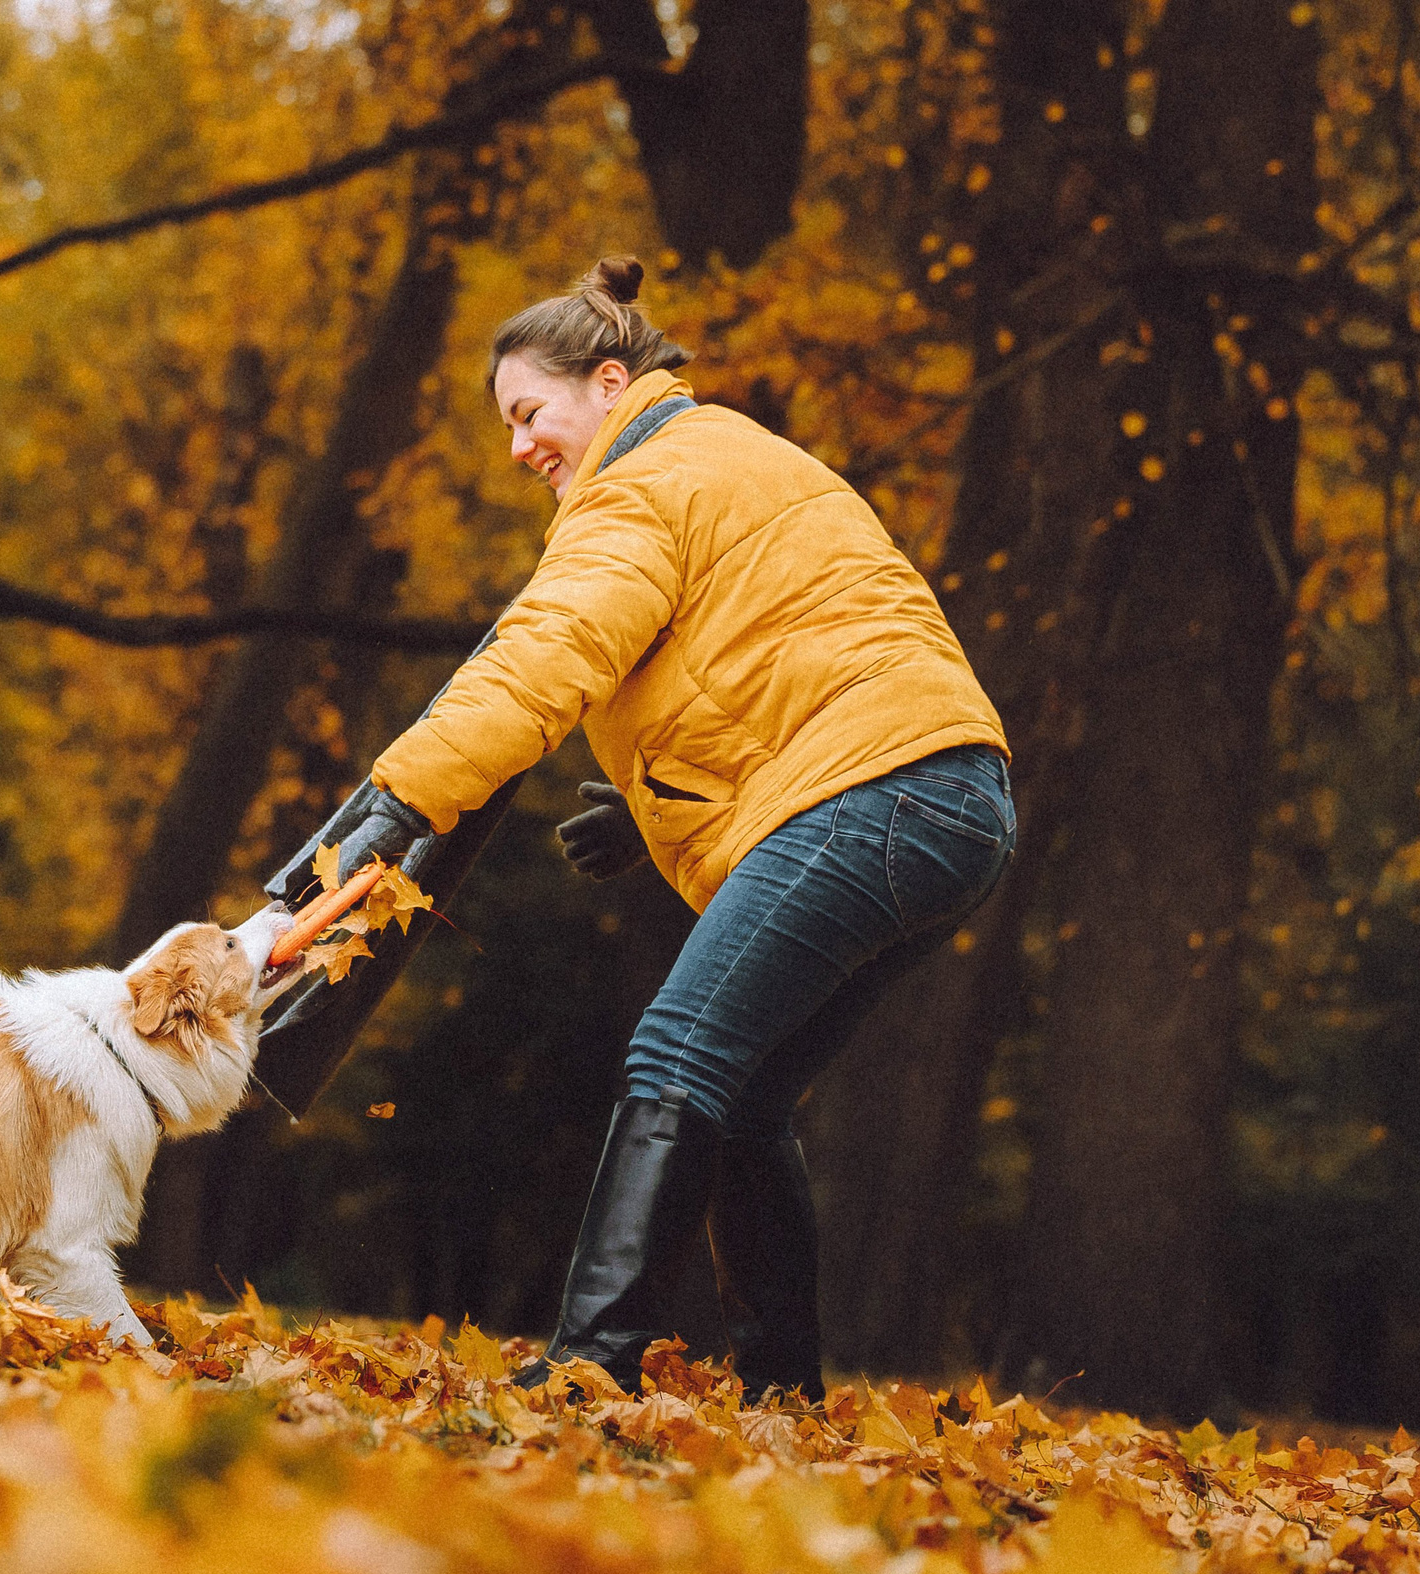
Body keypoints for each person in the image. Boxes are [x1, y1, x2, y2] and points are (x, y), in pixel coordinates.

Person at [330, 255, 1014, 1400]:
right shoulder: (721, 453)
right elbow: (774, 657)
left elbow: (545, 656)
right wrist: (649, 817)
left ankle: (590, 1363)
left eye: (529, 413)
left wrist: (400, 798)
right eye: (506, 427)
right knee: (745, 1100)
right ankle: (781, 1391)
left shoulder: (639, 484)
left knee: (676, 1051)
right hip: (949, 797)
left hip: (874, 789)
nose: (518, 448)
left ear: (608, 382)